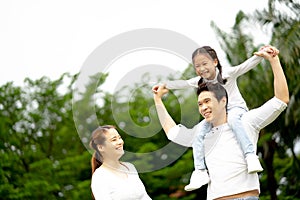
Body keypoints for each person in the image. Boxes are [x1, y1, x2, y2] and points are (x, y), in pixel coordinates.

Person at [153, 47, 289, 199]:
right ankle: (200, 172)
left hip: (245, 197)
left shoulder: (245, 121)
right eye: (200, 104)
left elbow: (280, 101)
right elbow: (172, 132)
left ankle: (250, 156)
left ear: (223, 100)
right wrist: (158, 99)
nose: (203, 107)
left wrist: (272, 59)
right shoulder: (201, 132)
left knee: (234, 121)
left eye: (207, 101)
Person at [90, 125, 152, 200]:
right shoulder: (100, 176)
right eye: (114, 139)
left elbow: (144, 197)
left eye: (119, 138)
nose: (120, 142)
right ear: (101, 147)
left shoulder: (129, 167)